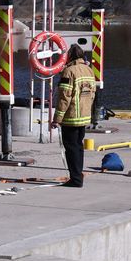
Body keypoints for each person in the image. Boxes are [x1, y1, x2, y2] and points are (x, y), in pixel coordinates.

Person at [49, 44, 97, 188]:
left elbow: (64, 98)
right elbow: (93, 94)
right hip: (84, 117)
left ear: (69, 56)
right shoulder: (89, 70)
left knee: (71, 149)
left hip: (71, 117)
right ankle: (78, 175)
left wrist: (57, 119)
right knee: (78, 147)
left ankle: (75, 179)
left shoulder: (69, 72)